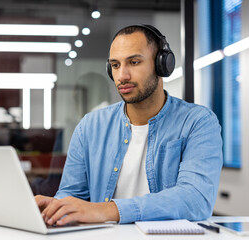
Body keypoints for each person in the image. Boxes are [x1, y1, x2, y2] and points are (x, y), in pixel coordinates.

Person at [35, 24, 223, 226]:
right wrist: (55, 208)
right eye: (115, 65)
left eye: (134, 62)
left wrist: (107, 210)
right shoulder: (90, 126)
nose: (122, 76)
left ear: (162, 64)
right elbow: (72, 196)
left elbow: (195, 200)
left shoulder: (197, 122)